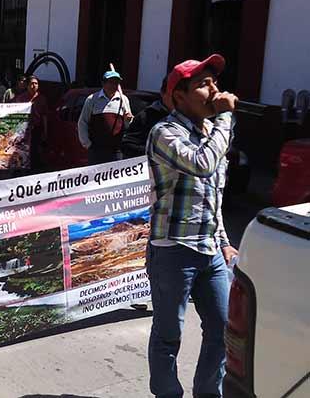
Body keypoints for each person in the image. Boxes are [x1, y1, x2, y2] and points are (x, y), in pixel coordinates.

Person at [146, 54, 239, 398]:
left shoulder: (214, 133)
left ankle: (207, 393)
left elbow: (211, 196)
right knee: (169, 334)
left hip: (211, 251)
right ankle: (168, 394)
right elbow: (201, 165)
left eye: (214, 81)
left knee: (224, 327)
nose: (214, 89)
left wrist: (225, 239)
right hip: (174, 251)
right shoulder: (163, 133)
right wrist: (227, 116)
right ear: (178, 96)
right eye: (203, 83)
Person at [77, 70, 133, 165]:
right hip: (96, 151)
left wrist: (128, 120)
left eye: (116, 82)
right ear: (103, 83)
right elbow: (83, 122)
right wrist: (87, 144)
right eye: (111, 82)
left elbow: (128, 126)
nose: (114, 85)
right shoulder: (92, 99)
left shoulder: (123, 100)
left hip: (116, 151)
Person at [121, 78, 172, 158]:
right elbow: (128, 145)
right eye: (172, 94)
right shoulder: (146, 116)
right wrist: (154, 152)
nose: (178, 99)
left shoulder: (191, 117)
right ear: (163, 93)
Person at [13, 75, 49, 172]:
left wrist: (45, 131)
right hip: (23, 130)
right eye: (32, 83)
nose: (34, 86)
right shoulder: (21, 98)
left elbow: (44, 116)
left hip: (36, 129)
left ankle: (33, 172)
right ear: (27, 85)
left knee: (35, 151)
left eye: (36, 84)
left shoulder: (42, 98)